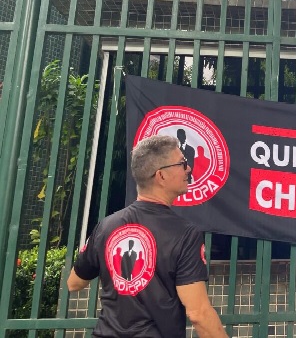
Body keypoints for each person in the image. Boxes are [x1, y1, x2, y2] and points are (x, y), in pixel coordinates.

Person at [67, 135, 227, 337]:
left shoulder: (105, 227)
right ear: (161, 176)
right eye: (182, 163)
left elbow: (74, 283)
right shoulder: (184, 233)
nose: (188, 169)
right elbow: (198, 313)